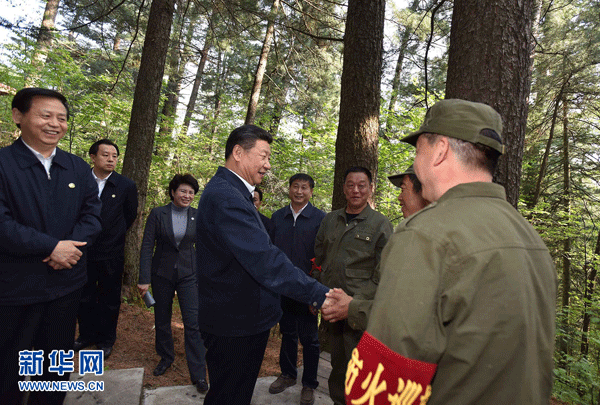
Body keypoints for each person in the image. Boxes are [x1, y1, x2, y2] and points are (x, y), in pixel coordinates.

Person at [348, 99, 557, 405]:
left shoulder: (425, 234)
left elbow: (385, 380)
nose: (416, 163)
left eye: (418, 150)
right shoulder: (530, 238)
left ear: (440, 150)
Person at [195, 124, 333, 405]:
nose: (268, 166)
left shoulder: (233, 192)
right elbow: (265, 260)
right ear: (238, 152)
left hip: (241, 319)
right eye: (264, 156)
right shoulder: (226, 197)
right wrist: (321, 295)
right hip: (235, 324)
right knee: (229, 396)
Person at [0, 88, 102, 405]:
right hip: (15, 289)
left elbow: (92, 216)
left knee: (54, 372)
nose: (54, 124)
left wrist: (69, 250)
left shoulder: (76, 167)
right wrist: (51, 246)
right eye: (46, 115)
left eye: (61, 118)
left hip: (65, 287)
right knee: (8, 371)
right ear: (19, 116)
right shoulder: (4, 164)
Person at [313, 166, 393, 405]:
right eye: (350, 185)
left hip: (360, 314)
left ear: (370, 189)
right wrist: (317, 296)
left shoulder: (380, 225)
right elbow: (320, 260)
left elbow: (384, 273)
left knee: (361, 369)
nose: (356, 190)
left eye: (361, 185)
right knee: (336, 365)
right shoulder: (330, 220)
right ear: (344, 188)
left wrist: (353, 303)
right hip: (331, 312)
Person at [138, 174, 208, 393]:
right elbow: (148, 246)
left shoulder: (198, 215)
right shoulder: (158, 213)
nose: (187, 196)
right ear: (173, 192)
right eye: (183, 191)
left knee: (193, 323)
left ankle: (198, 374)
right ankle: (166, 357)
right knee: (162, 319)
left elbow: (206, 247)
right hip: (161, 273)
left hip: (189, 274)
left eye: (191, 193)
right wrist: (144, 279)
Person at [75, 139, 138, 359]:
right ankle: (86, 336)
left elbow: (130, 216)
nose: (111, 159)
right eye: (105, 155)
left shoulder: (126, 186)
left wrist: (113, 234)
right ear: (93, 157)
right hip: (82, 250)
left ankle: (106, 339)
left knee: (109, 298)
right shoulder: (81, 180)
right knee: (85, 295)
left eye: (114, 156)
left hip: (111, 252)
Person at [268, 173, 326, 405]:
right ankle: (288, 374)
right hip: (282, 287)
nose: (299, 191)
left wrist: (318, 291)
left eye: (304, 188)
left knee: (310, 338)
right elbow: (269, 252)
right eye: (295, 186)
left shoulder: (320, 219)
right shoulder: (278, 217)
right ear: (289, 189)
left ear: (311, 191)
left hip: (308, 288)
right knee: (288, 334)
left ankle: (309, 384)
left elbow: (323, 256)